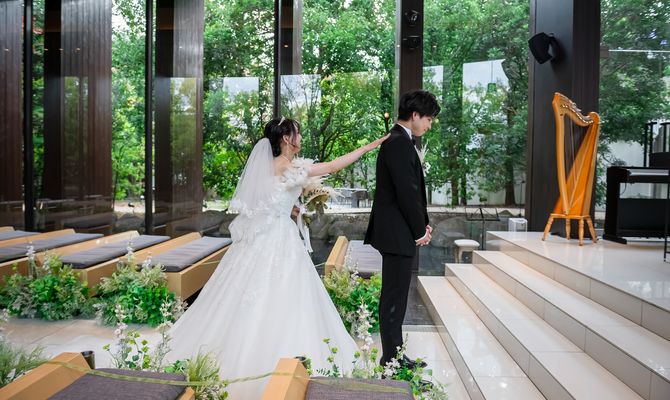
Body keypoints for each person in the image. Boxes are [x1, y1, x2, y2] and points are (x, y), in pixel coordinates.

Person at [167, 117, 388, 399]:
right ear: (286, 138)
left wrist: (291, 210)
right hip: (281, 239)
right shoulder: (290, 167)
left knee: (241, 295)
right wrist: (369, 146)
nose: (301, 137)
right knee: (286, 294)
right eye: (298, 133)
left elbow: (264, 203)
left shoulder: (268, 167)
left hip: (261, 239)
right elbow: (332, 166)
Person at [364, 90, 440, 369]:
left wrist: (422, 224)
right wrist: (419, 231)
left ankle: (394, 355)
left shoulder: (400, 140)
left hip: (399, 231)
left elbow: (412, 191)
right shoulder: (398, 142)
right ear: (415, 115)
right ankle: (391, 360)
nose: (430, 125)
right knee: (394, 300)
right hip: (397, 233)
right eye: (429, 119)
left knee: (396, 297)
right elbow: (406, 193)